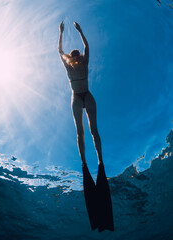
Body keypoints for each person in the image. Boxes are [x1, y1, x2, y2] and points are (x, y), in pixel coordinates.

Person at [58, 21, 114, 232]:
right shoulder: (68, 65)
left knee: (93, 130)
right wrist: (61, 32)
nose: (77, 55)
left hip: (87, 95)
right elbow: (59, 50)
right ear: (72, 58)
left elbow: (87, 47)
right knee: (80, 132)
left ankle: (100, 161)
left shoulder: (85, 61)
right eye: (74, 54)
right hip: (75, 96)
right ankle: (84, 163)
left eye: (77, 54)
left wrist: (81, 31)